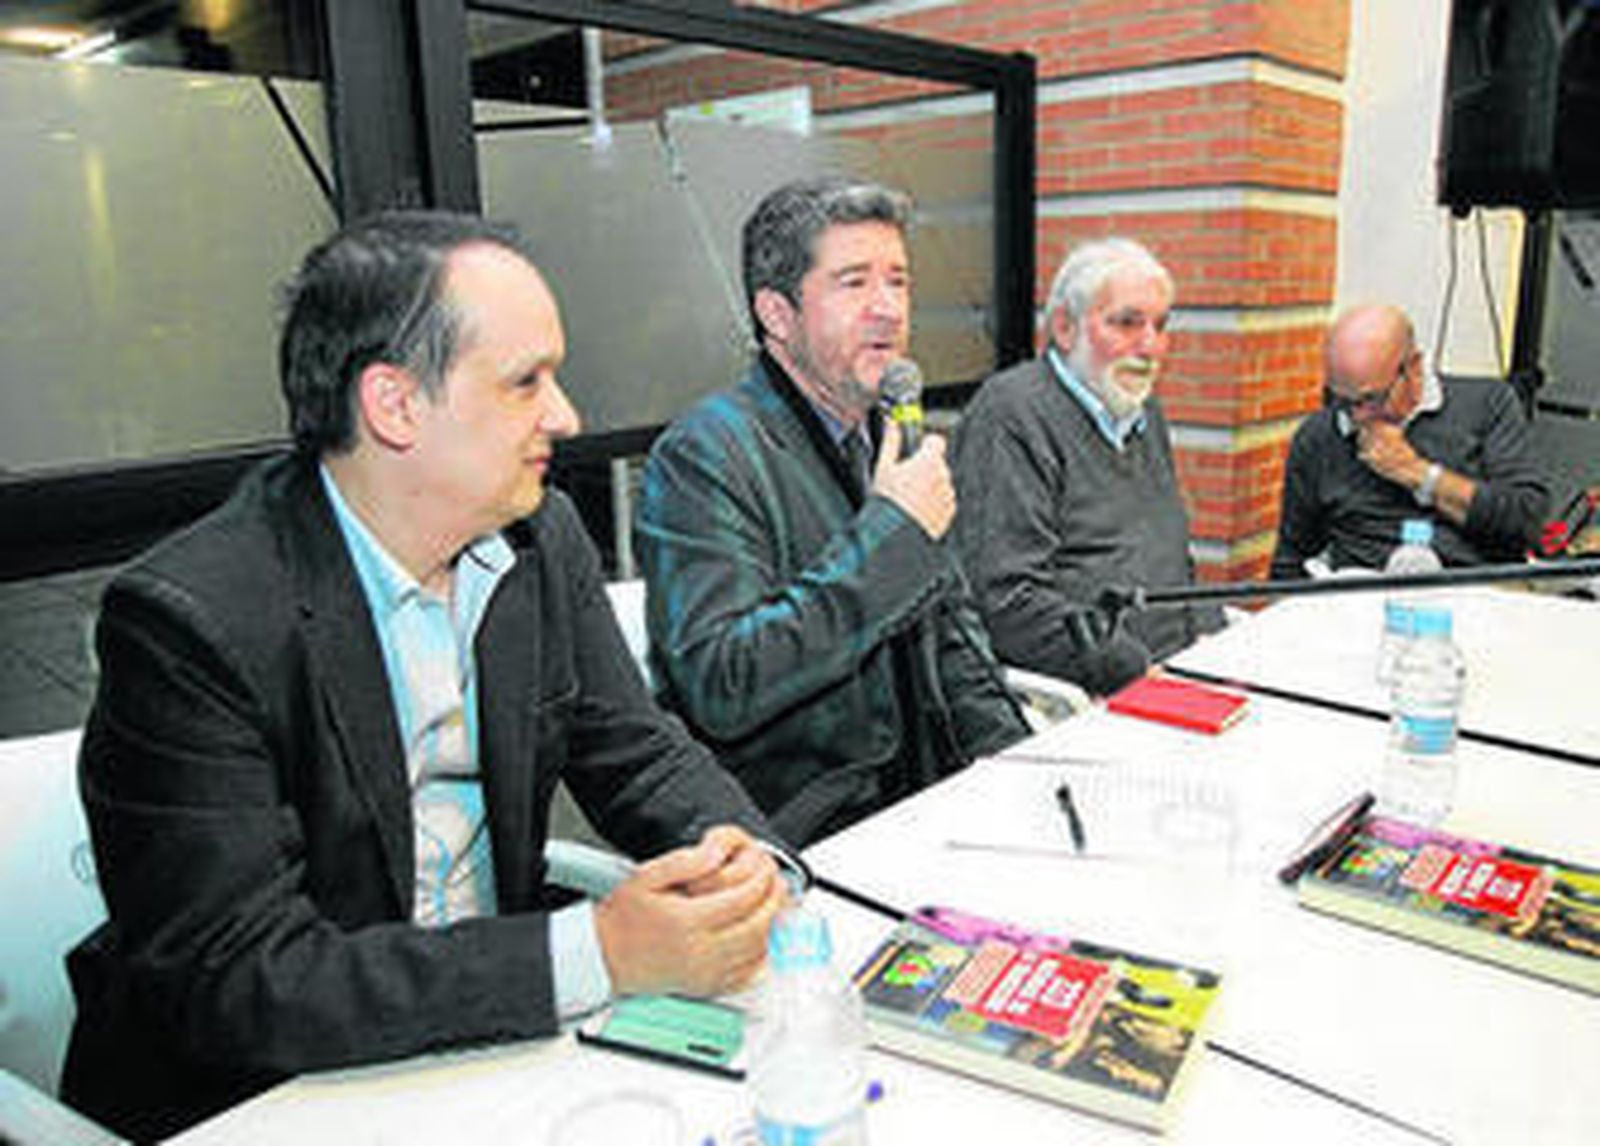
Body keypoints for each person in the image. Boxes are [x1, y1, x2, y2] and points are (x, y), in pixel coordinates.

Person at [61, 212, 791, 1141]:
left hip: (498, 1043)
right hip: (276, 1094)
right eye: (526, 381)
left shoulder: (541, 538)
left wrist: (751, 867)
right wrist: (597, 949)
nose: (566, 416)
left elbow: (636, 750)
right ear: (395, 405)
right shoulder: (188, 622)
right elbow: (237, 980)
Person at [633, 176, 1028, 847]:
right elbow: (724, 684)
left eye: (898, 281)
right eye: (854, 283)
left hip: (929, 801)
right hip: (807, 832)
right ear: (776, 315)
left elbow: (955, 637)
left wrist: (1019, 771)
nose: (888, 309)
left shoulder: (887, 432)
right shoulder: (702, 455)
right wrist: (892, 535)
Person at [951, 238, 1223, 697]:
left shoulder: (1141, 409)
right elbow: (1006, 602)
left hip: (1179, 672)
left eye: (1160, 325)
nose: (1150, 346)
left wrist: (1212, 637)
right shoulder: (1010, 415)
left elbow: (1172, 557)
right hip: (1092, 691)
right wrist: (1133, 672)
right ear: (1064, 326)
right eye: (1126, 323)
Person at [1270, 303, 1549, 578]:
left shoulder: (1489, 404)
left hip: (1475, 592)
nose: (1358, 416)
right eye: (1341, 400)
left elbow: (1526, 521)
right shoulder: (1319, 434)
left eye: (1372, 399)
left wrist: (1421, 475)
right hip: (1357, 599)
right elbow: (1291, 560)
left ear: (1413, 368)